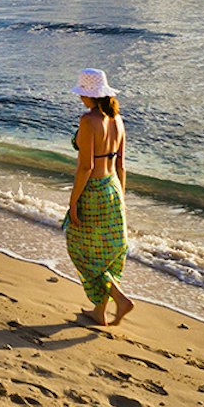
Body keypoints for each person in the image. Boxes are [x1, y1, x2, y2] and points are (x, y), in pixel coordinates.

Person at [65, 67, 134, 328]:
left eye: (82, 93)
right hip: (114, 189)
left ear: (89, 96)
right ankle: (99, 312)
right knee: (105, 252)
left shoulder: (87, 121)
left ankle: (119, 298)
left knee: (80, 248)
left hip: (93, 191)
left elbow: (86, 168)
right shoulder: (118, 120)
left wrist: (73, 203)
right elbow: (122, 166)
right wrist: (121, 199)